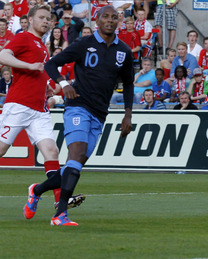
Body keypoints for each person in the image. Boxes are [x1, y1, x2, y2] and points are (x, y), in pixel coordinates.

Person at [28, 6, 133, 226]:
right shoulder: (84, 44)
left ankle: (36, 190)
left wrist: (127, 115)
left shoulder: (123, 50)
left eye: (115, 17)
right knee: (76, 153)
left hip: (100, 114)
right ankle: (60, 214)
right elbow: (51, 64)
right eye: (106, 17)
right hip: (77, 106)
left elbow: (129, 84)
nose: (110, 21)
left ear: (119, 22)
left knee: (73, 166)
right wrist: (64, 84)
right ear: (97, 20)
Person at [0, 5, 85, 220]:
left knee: (52, 152)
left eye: (49, 18)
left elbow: (38, 72)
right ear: (29, 19)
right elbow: (3, 55)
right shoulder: (23, 38)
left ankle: (59, 204)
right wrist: (29, 67)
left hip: (39, 109)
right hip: (18, 105)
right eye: (41, 17)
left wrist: (46, 86)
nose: (46, 21)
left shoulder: (42, 46)